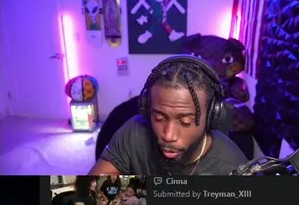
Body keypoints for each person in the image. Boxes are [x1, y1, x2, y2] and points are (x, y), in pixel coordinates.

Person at [92, 56, 247, 176]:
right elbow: (91, 193)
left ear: (211, 117)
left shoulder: (231, 166)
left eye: (185, 121)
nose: (168, 135)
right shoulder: (134, 132)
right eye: (159, 118)